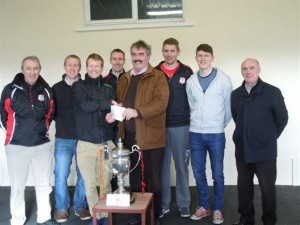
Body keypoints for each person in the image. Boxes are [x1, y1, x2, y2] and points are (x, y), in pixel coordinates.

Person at [116, 40, 169, 225]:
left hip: (151, 136)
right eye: (134, 55)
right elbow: (120, 100)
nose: (137, 58)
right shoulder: (125, 78)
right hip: (130, 136)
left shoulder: (158, 76)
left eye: (141, 55)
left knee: (153, 179)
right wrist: (117, 107)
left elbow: (161, 102)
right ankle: (139, 215)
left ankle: (154, 215)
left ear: (148, 56)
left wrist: (137, 112)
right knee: (136, 178)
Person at [0, 56, 58, 225]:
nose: (32, 72)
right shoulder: (10, 90)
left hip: (41, 145)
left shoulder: (46, 91)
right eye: (28, 68)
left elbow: (50, 115)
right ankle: (17, 219)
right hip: (17, 145)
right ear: (22, 69)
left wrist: (41, 133)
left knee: (43, 184)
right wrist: (13, 135)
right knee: (17, 186)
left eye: (35, 68)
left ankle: (44, 217)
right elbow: (2, 115)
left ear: (40, 69)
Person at [231, 58, 288, 225]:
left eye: (251, 68)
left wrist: (268, 137)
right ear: (241, 72)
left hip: (265, 152)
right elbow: (237, 118)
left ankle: (269, 221)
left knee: (267, 190)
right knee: (244, 189)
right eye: (244, 69)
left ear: (258, 70)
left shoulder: (272, 92)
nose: (248, 71)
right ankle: (246, 219)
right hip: (242, 151)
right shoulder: (235, 95)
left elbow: (282, 119)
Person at [186, 44, 232, 225]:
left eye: (206, 55)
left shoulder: (223, 80)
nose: (203, 58)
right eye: (199, 55)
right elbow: (191, 105)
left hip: (216, 135)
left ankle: (218, 209)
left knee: (218, 174)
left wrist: (218, 125)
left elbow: (229, 109)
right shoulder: (191, 81)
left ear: (212, 57)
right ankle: (204, 206)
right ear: (196, 58)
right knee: (198, 173)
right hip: (195, 134)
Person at [72, 53, 116, 225]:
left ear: (102, 68)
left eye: (97, 66)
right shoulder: (78, 86)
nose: (94, 69)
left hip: (105, 143)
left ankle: (106, 217)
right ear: (86, 67)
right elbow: (85, 106)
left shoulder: (108, 88)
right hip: (85, 144)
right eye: (91, 65)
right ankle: (96, 217)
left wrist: (110, 120)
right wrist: (108, 103)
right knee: (90, 185)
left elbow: (109, 117)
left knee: (105, 185)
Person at [155, 38, 193, 219]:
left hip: (181, 126)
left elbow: (194, 98)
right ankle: (164, 204)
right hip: (159, 126)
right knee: (163, 167)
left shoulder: (187, 71)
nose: (169, 54)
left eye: (172, 51)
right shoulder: (154, 72)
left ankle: (184, 204)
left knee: (181, 166)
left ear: (178, 51)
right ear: (162, 52)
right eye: (166, 51)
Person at [52, 55, 91, 223]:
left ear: (80, 67)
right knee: (61, 174)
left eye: (76, 65)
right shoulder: (56, 88)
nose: (72, 68)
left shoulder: (85, 87)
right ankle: (61, 208)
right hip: (63, 138)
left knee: (83, 175)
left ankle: (80, 206)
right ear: (64, 66)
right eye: (69, 65)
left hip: (83, 139)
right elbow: (51, 113)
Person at [101, 49, 126, 192]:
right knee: (111, 160)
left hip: (126, 125)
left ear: (124, 61)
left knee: (125, 159)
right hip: (109, 127)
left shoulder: (129, 77)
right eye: (114, 59)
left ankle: (126, 190)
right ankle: (114, 190)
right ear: (110, 60)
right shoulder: (104, 80)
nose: (117, 62)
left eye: (120, 59)